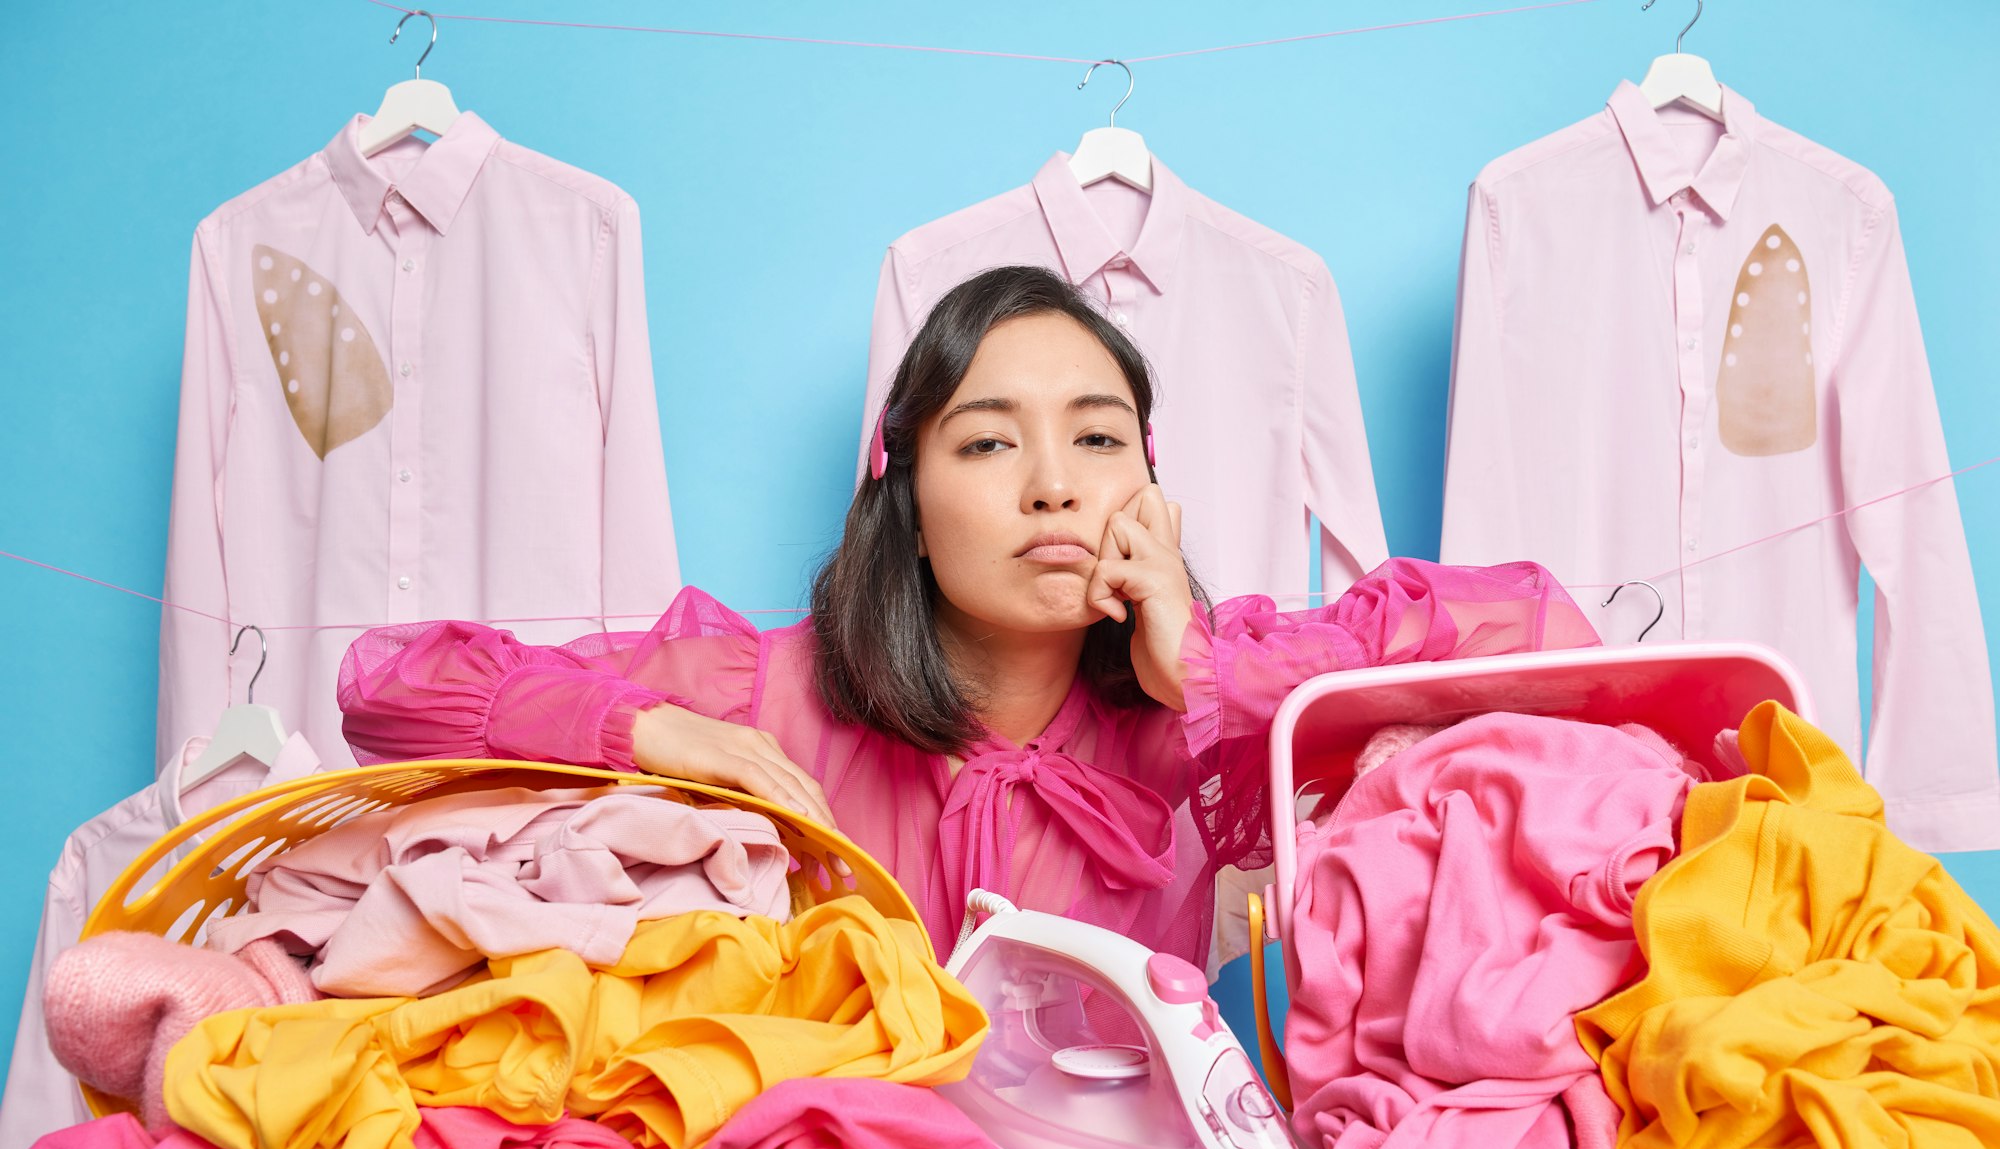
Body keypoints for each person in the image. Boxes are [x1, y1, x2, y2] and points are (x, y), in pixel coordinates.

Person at [340, 265, 1597, 966]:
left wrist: (1209, 665)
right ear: (904, 488)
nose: (1053, 481)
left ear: (1146, 487)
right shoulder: (758, 690)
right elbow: (384, 690)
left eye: (1097, 440)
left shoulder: (1207, 712)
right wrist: (653, 737)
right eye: (989, 440)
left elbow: (1543, 637)